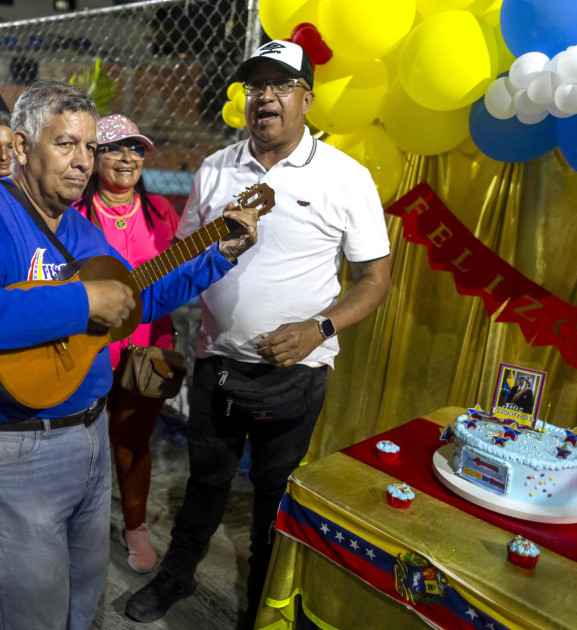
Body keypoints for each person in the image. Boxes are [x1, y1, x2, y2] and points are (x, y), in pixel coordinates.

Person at [0, 80, 260, 630]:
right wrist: (81, 301)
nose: (83, 162)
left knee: (84, 601)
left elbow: (136, 297)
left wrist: (217, 256)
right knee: (33, 615)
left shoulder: (81, 230)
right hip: (10, 449)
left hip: (87, 438)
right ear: (23, 144)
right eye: (66, 145)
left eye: (89, 148)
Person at [126, 40, 392, 629]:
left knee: (275, 492)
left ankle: (264, 599)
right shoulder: (218, 168)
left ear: (306, 98)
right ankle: (178, 573)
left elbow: (375, 281)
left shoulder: (347, 178)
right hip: (216, 359)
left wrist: (317, 327)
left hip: (297, 372)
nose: (264, 96)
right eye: (254, 86)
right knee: (206, 480)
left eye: (279, 85)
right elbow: (182, 255)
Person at [73, 113, 178, 574]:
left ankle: (135, 525)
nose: (127, 157)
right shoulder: (74, 212)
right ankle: (79, 525)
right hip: (90, 345)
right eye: (115, 147)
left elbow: (177, 278)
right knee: (79, 441)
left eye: (135, 149)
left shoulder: (161, 214)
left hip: (150, 345)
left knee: (133, 441)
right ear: (95, 155)